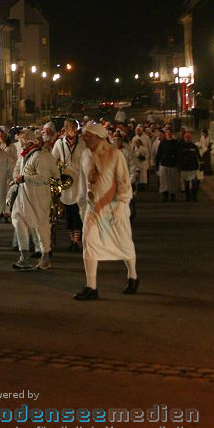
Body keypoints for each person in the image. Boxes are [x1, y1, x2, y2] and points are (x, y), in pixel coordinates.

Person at [74, 123, 138, 300]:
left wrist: (121, 205)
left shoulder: (115, 154)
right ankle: (91, 286)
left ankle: (133, 276)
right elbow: (82, 182)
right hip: (93, 209)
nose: (84, 139)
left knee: (124, 243)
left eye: (87, 136)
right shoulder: (85, 155)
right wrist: (82, 206)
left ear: (98, 137)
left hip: (114, 208)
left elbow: (124, 181)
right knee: (89, 243)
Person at [10, 129, 56, 271]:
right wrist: (17, 178)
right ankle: (24, 256)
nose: (19, 143)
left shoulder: (40, 157)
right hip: (23, 195)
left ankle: (45, 257)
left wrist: (24, 178)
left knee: (41, 226)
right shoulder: (24, 156)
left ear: (26, 141)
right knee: (17, 219)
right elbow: (17, 170)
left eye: (20, 140)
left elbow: (43, 177)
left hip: (38, 196)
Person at [52, 119, 86, 252]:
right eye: (71, 128)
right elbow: (53, 160)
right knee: (69, 213)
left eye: (75, 128)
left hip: (79, 182)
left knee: (78, 213)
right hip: (66, 182)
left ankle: (76, 241)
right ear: (66, 129)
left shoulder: (83, 144)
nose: (74, 131)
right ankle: (72, 240)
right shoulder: (59, 143)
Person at [155, 127, 181, 202]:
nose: (168, 134)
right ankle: (165, 195)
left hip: (173, 164)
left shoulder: (176, 143)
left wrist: (178, 164)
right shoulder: (163, 142)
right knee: (164, 181)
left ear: (172, 134)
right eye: (167, 133)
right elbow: (159, 153)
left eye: (169, 133)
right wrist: (157, 164)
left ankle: (173, 195)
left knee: (173, 180)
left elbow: (178, 154)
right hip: (164, 164)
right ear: (165, 134)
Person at [179, 132, 202, 202]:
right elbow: (179, 157)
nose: (187, 139)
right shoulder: (181, 146)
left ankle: (194, 196)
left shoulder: (194, 146)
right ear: (184, 138)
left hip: (193, 168)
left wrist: (201, 165)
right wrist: (180, 166)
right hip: (185, 168)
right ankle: (188, 197)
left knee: (194, 184)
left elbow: (198, 156)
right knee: (186, 184)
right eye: (186, 137)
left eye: (189, 137)